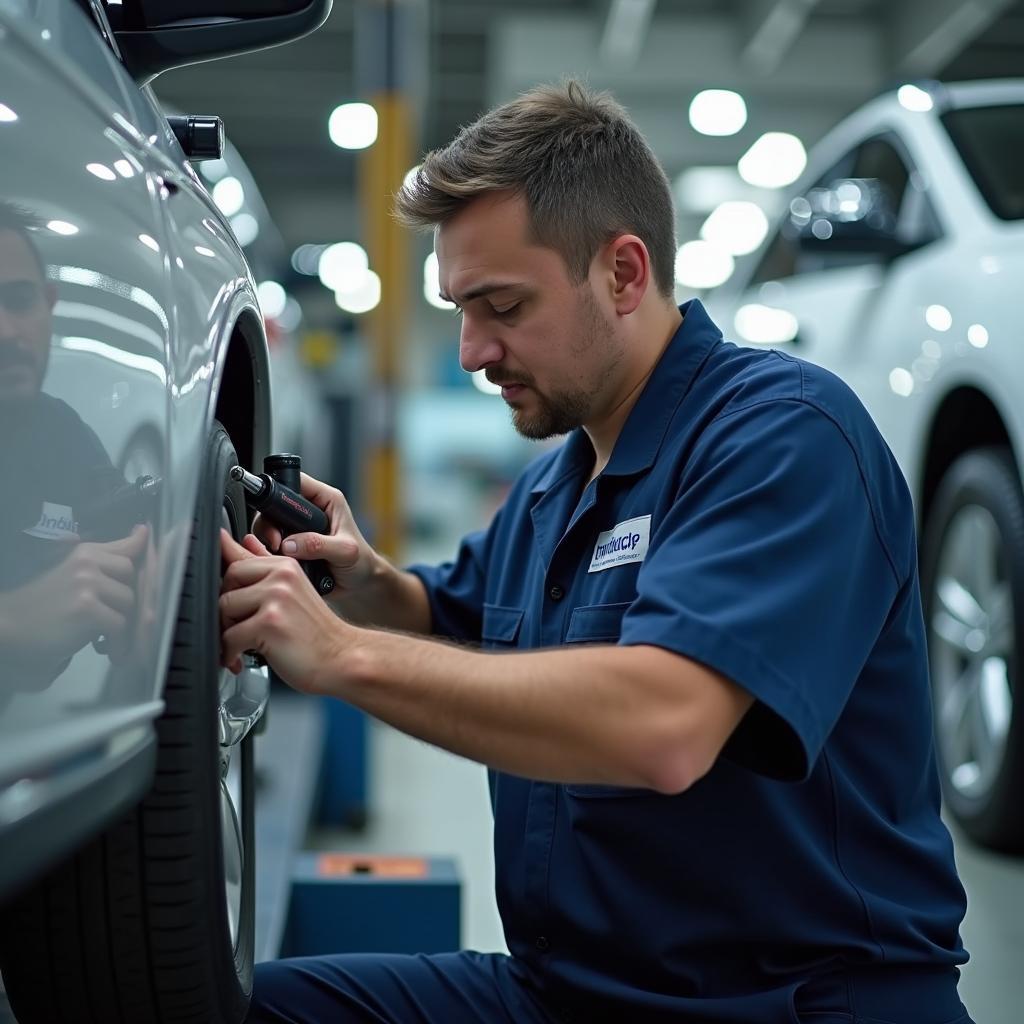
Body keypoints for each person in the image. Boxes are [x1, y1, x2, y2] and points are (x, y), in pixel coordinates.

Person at [223, 82, 973, 1024]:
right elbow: (449, 613)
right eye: (458, 308)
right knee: (241, 1008)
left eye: (501, 305)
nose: (470, 351)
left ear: (623, 273)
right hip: (572, 992)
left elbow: (664, 727)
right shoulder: (553, 486)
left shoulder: (783, 436)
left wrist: (340, 657)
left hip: (790, 1001)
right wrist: (359, 578)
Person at [0, 200, 146, 682]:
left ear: (49, 302)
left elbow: (124, 515)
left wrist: (151, 566)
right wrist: (14, 619)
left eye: (19, 301)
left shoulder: (55, 428)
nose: (5, 332)